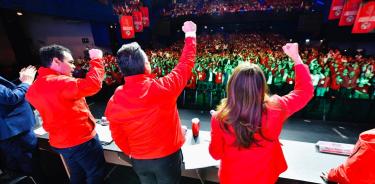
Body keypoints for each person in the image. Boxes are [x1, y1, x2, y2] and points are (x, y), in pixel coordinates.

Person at [105, 21, 197, 184]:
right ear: (146, 65)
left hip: (139, 160)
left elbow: (117, 133)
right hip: (166, 159)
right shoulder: (163, 87)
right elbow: (185, 64)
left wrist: (131, 151)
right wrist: (190, 35)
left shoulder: (115, 99)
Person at [209, 43, 314, 184]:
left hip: (232, 178)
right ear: (261, 86)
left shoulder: (219, 118)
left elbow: (216, 154)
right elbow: (305, 91)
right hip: (265, 177)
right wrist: (296, 58)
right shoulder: (277, 107)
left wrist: (216, 130)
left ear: (232, 86)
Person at [25, 45, 106, 184]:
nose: (73, 66)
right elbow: (92, 85)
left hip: (60, 142)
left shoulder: (35, 86)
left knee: (77, 173)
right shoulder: (60, 82)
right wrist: (97, 60)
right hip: (81, 140)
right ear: (56, 61)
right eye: (70, 62)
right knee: (96, 173)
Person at [0, 66, 41, 179]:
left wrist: (21, 81)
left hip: (9, 132)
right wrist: (27, 82)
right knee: (29, 165)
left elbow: (4, 93)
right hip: (15, 132)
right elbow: (10, 97)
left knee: (18, 167)